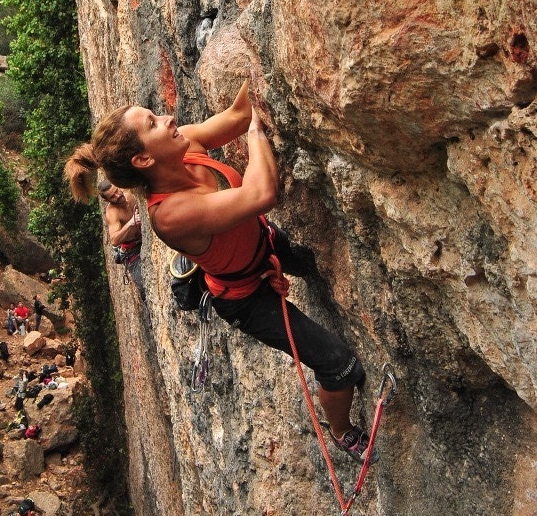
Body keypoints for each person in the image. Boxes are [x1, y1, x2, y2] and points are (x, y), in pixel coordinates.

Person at [64, 82, 373, 463]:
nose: (168, 118)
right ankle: (342, 431)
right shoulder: (169, 215)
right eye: (153, 123)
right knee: (339, 365)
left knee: (315, 263)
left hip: (263, 243)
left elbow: (239, 115)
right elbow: (261, 193)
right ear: (144, 160)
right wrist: (258, 133)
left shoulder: (185, 143)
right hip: (247, 298)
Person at [98, 181, 145, 299]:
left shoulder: (129, 191)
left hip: (143, 237)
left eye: (116, 191)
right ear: (107, 200)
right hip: (132, 251)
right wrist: (130, 223)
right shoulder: (112, 212)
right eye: (112, 196)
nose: (118, 196)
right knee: (145, 287)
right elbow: (114, 240)